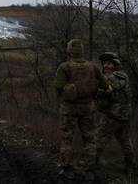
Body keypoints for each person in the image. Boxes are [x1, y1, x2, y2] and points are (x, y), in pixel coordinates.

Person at [55, 39, 108, 183]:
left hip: (69, 109)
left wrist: (68, 91)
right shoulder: (93, 66)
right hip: (88, 108)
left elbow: (58, 87)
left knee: (67, 139)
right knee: (90, 139)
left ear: (69, 51)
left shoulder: (64, 67)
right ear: (82, 51)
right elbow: (104, 85)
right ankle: (89, 171)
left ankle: (67, 170)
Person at [96, 52, 134, 174]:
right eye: (104, 63)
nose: (106, 66)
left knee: (99, 138)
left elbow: (108, 88)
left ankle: (91, 165)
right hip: (123, 115)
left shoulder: (118, 76)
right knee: (124, 140)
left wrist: (92, 90)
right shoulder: (112, 75)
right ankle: (130, 166)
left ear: (115, 64)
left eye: (109, 63)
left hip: (114, 115)